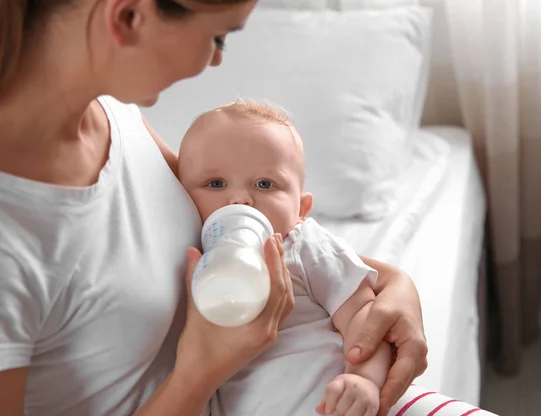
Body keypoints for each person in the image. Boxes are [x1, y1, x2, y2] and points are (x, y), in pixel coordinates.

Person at [0, 0, 428, 415]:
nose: (216, 61)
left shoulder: (113, 116)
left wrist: (394, 283)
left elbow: (244, 228)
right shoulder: (13, 238)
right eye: (218, 37)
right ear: (129, 17)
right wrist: (203, 370)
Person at [179, 99, 394, 416]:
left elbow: (365, 315)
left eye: (265, 184)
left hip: (334, 404)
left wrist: (364, 380)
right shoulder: (187, 258)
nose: (240, 199)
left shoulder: (306, 246)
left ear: (301, 210)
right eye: (216, 183)